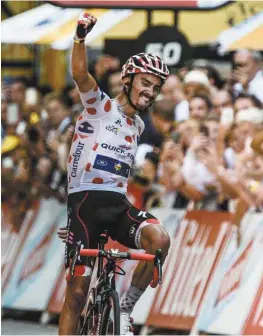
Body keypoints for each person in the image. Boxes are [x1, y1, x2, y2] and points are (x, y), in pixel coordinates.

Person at [59, 14, 171, 336]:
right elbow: (80, 73)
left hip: (118, 206)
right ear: (128, 80)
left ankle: (124, 310)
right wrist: (80, 38)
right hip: (85, 208)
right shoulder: (100, 106)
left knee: (159, 240)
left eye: (156, 87)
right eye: (145, 83)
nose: (150, 91)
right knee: (77, 295)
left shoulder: (138, 126)